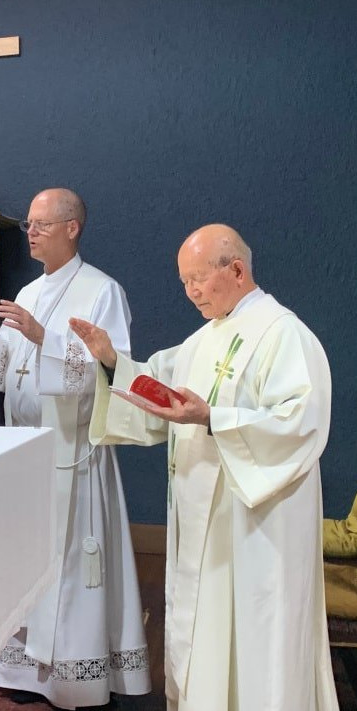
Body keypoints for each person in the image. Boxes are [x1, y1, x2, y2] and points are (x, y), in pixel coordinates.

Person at [70, 224, 338, 710]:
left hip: (256, 530)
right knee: (207, 635)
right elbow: (158, 385)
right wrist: (112, 361)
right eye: (184, 282)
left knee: (256, 640)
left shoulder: (284, 334)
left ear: (236, 269)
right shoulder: (204, 340)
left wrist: (214, 418)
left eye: (198, 278)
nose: (192, 292)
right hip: (204, 526)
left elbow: (302, 422)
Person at [0, 188, 150, 708]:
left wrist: (44, 337)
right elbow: (2, 376)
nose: (30, 231)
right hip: (27, 454)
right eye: (29, 224)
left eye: (41, 223)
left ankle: (75, 676)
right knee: (27, 557)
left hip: (74, 454)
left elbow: (112, 372)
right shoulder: (29, 291)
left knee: (73, 567)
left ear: (72, 227)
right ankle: (27, 672)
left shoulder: (103, 291)